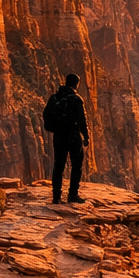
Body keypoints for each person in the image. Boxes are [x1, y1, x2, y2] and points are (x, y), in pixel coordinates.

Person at [42, 72, 89, 203]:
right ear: (76, 84)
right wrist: (86, 136)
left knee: (58, 167)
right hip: (73, 137)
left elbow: (46, 114)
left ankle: (56, 196)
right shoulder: (76, 99)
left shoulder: (54, 98)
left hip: (58, 137)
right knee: (76, 165)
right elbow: (82, 120)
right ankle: (72, 195)